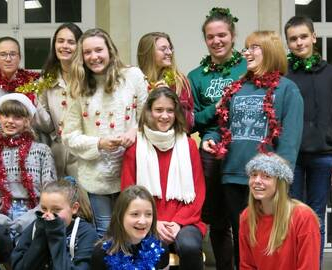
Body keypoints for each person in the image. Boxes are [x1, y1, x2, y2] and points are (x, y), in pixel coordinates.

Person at [201, 31, 304, 268]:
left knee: (269, 242)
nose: (246, 53)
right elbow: (222, 125)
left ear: (270, 50)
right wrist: (211, 137)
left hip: (267, 182)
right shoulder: (236, 88)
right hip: (233, 176)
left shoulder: (288, 90)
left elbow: (290, 140)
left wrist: (279, 178)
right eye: (246, 48)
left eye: (254, 47)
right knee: (242, 241)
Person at [62, 28, 148, 237]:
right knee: (105, 232)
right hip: (96, 176)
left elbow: (149, 116)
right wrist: (99, 143)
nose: (94, 57)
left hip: (132, 170)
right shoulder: (77, 88)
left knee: (135, 231)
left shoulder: (133, 76)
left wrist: (134, 131)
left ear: (109, 50)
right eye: (88, 52)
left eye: (99, 50)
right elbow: (69, 135)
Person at [284, 15, 332, 261]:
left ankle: (313, 266)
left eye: (303, 36)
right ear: (287, 43)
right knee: (292, 218)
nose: (299, 43)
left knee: (316, 218)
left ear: (313, 37)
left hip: (324, 158)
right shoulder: (283, 75)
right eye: (293, 39)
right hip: (292, 159)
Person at [121, 87, 206, 270]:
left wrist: (178, 223)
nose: (165, 116)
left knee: (190, 246)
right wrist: (153, 222)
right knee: (155, 250)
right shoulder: (135, 147)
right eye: (159, 110)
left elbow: (198, 192)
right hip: (147, 221)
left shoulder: (188, 145)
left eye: (170, 110)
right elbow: (127, 195)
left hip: (185, 221)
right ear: (149, 111)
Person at [187, 7, 246, 270]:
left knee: (244, 217)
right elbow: (193, 120)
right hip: (211, 148)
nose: (217, 41)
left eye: (222, 35)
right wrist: (218, 105)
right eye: (211, 37)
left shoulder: (247, 68)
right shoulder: (196, 76)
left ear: (232, 36)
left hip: (244, 146)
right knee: (218, 219)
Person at [0, 93, 57, 238]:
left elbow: (50, 193)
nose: (10, 121)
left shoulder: (42, 151)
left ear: (27, 121)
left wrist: (30, 218)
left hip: (34, 216)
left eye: (17, 117)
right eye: (6, 115)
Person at [239, 153, 321, 269]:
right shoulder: (247, 216)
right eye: (253, 175)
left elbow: (309, 266)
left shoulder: (303, 217)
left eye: (266, 176)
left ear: (280, 184)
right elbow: (247, 266)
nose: (257, 180)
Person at [12, 178, 98, 269]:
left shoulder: (87, 233)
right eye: (44, 209)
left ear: (74, 208)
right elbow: (19, 267)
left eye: (56, 210)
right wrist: (41, 234)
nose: (48, 215)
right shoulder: (35, 227)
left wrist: (55, 233)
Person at [34, 23, 83, 178]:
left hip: (83, 153)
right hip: (57, 152)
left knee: (83, 200)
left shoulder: (88, 78)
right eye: (60, 41)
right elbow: (46, 125)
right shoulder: (47, 80)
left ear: (80, 46)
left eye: (71, 42)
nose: (64, 46)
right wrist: (33, 103)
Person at [91, 185, 169, 270]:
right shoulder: (101, 253)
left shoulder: (160, 248)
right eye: (135, 214)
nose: (143, 221)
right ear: (120, 216)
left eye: (148, 214)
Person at [137, 32, 194, 132]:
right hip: (144, 141)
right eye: (163, 49)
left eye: (170, 48)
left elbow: (188, 124)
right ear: (148, 53)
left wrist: (169, 97)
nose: (169, 53)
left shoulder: (179, 82)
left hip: (175, 142)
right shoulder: (136, 81)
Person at [0, 37, 40, 116]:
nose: (8, 59)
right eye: (3, 54)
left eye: (13, 54)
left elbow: (45, 125)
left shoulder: (34, 87)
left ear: (19, 58)